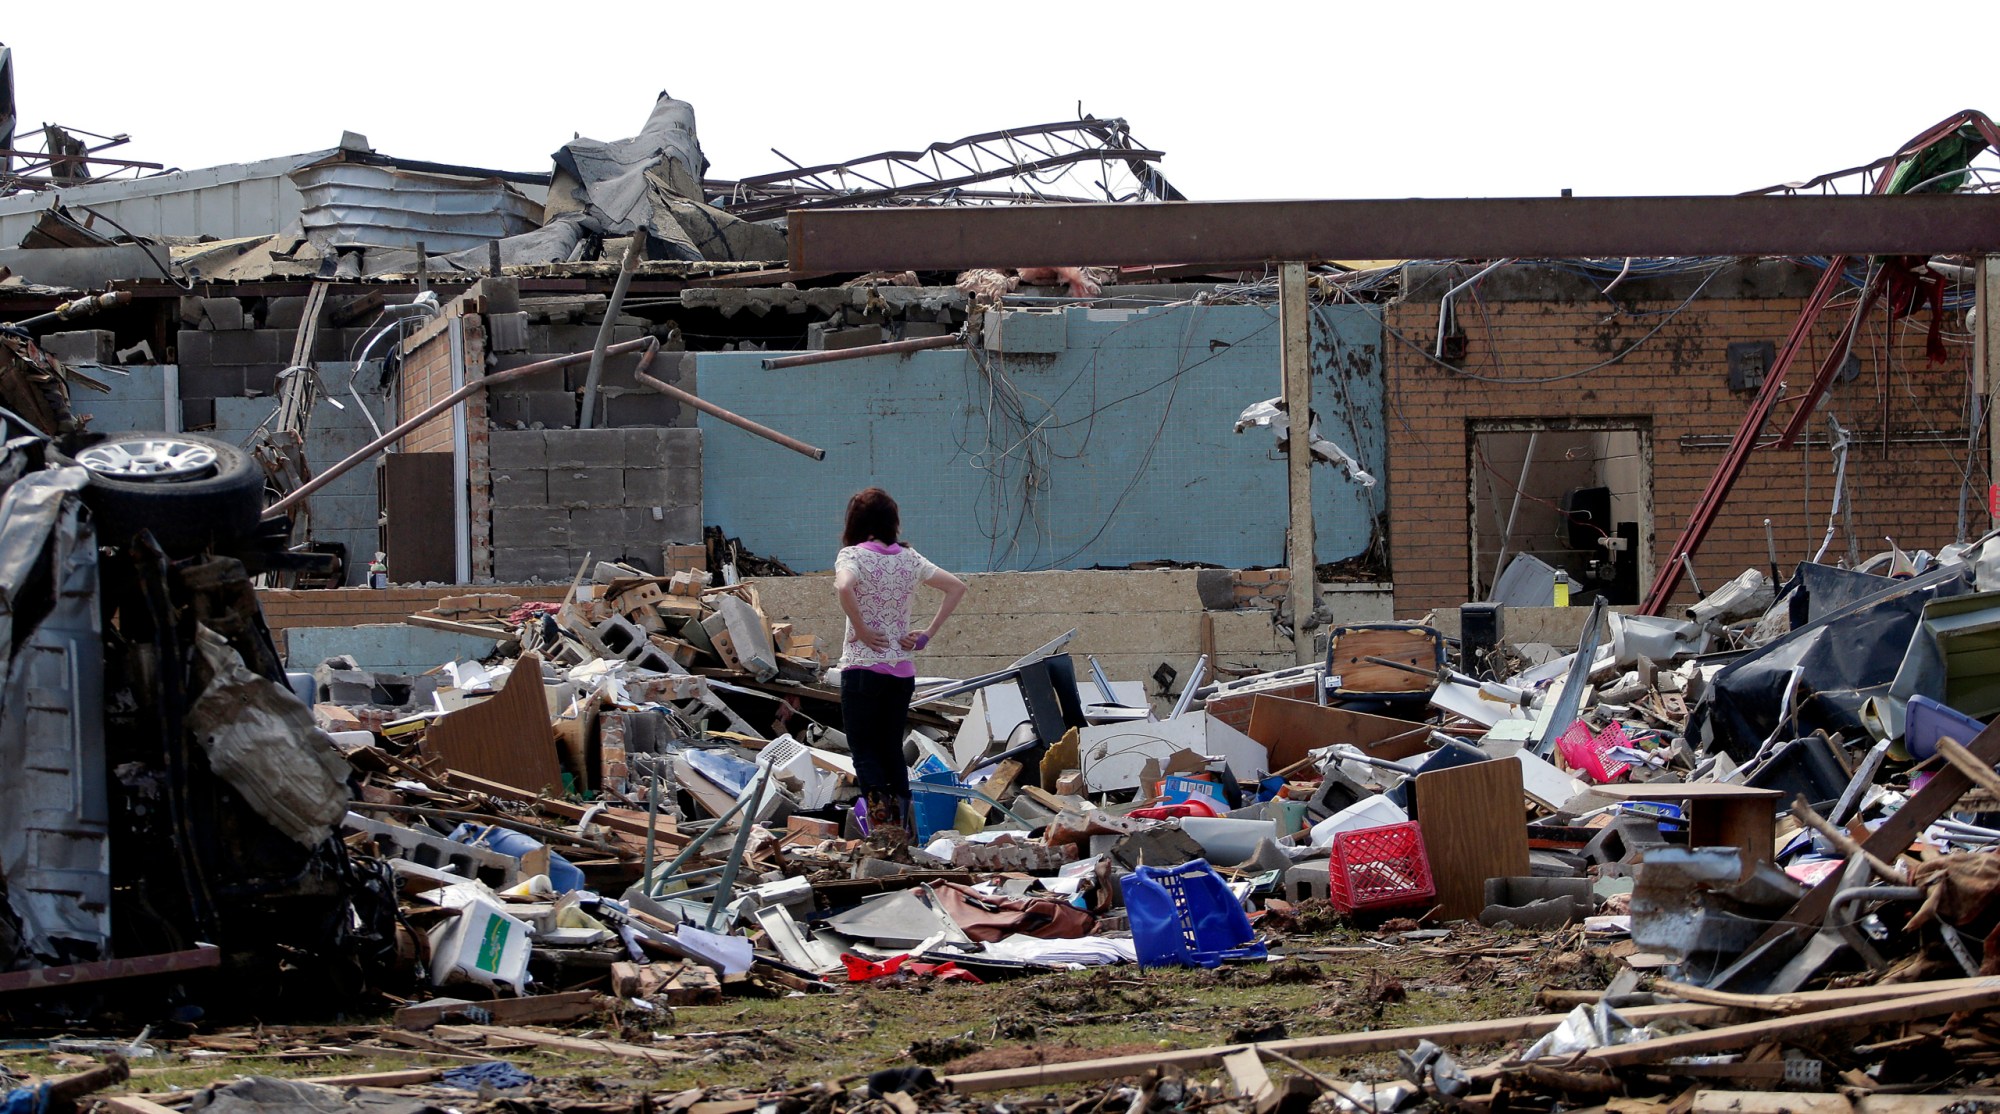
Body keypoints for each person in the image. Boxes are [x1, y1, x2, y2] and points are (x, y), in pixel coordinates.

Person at [833, 487, 966, 835]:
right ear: (893, 521)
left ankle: (883, 832)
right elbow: (956, 587)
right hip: (901, 671)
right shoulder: (910, 559)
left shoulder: (853, 556)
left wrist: (861, 629)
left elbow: (844, 587)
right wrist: (926, 634)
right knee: (891, 749)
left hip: (862, 667)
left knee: (864, 750)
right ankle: (905, 832)